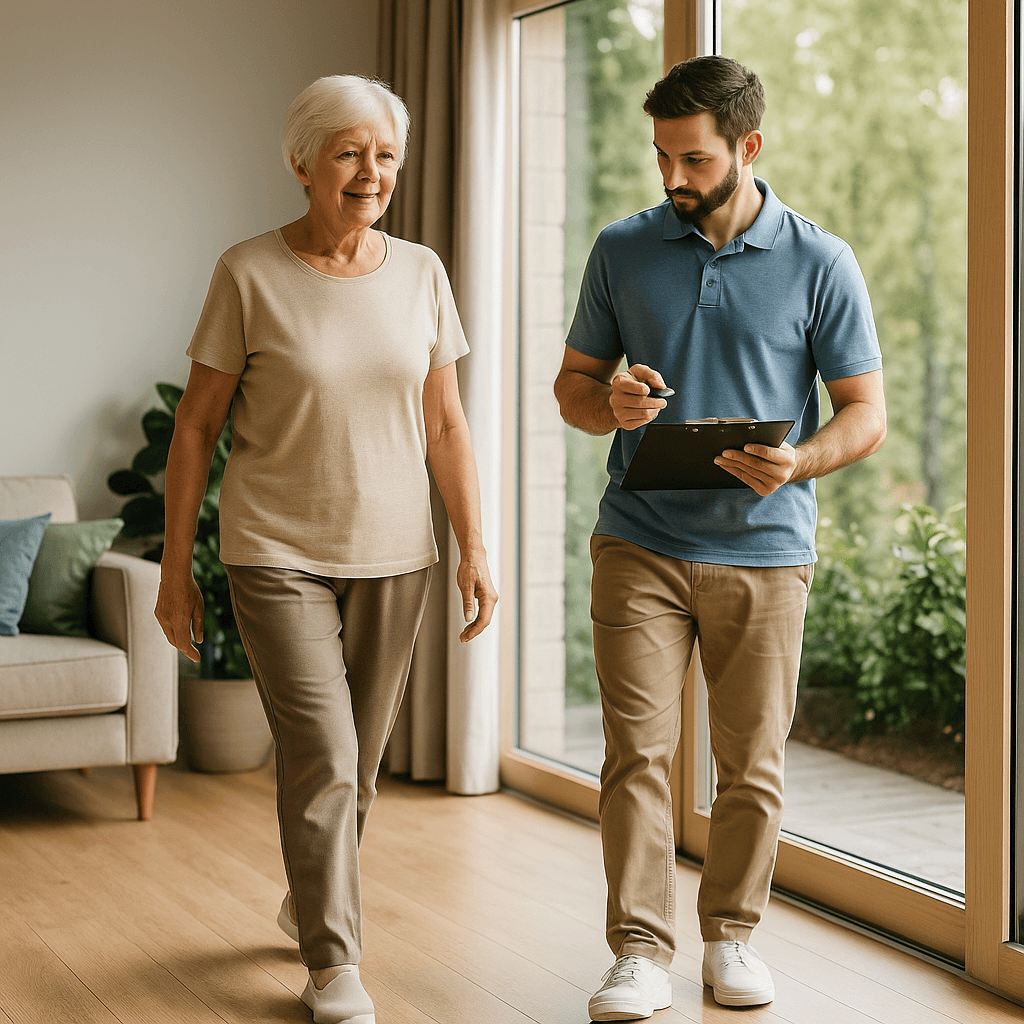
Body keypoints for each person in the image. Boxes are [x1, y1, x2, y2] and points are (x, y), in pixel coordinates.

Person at [155, 75, 497, 1024]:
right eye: (349, 153)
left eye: (385, 154)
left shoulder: (423, 272)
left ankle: (312, 891)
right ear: (302, 161)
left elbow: (447, 428)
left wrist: (474, 545)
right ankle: (333, 961)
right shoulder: (248, 272)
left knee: (365, 760)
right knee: (323, 752)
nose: (370, 173)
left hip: (397, 550)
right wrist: (177, 571)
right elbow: (195, 429)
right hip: (275, 550)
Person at [553, 56, 886, 1019]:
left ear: (747, 148)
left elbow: (864, 412)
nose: (672, 179)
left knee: (752, 764)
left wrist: (803, 460)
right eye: (661, 156)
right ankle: (639, 953)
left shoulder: (821, 261)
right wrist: (608, 404)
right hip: (639, 541)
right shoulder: (622, 249)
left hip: (767, 548)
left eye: (693, 159)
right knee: (637, 756)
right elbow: (574, 388)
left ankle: (731, 938)